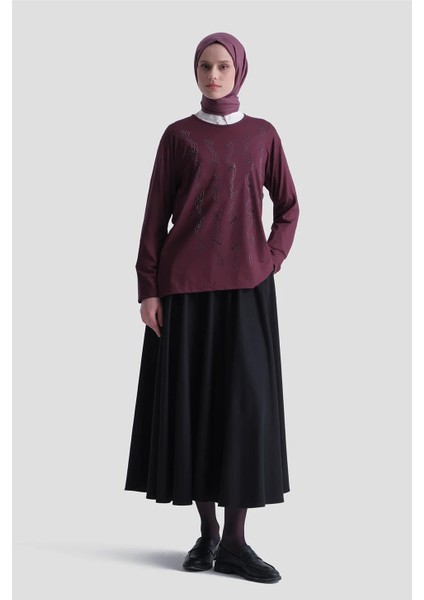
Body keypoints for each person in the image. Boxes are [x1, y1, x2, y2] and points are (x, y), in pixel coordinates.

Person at [124, 31, 300, 584]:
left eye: (223, 65)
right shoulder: (178, 136)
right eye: (205, 65)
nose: (214, 74)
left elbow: (289, 207)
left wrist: (270, 259)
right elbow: (154, 214)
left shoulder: (263, 135)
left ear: (239, 70)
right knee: (195, 408)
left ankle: (237, 544)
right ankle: (208, 533)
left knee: (244, 409)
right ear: (195, 71)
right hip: (184, 291)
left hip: (247, 290)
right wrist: (148, 288)